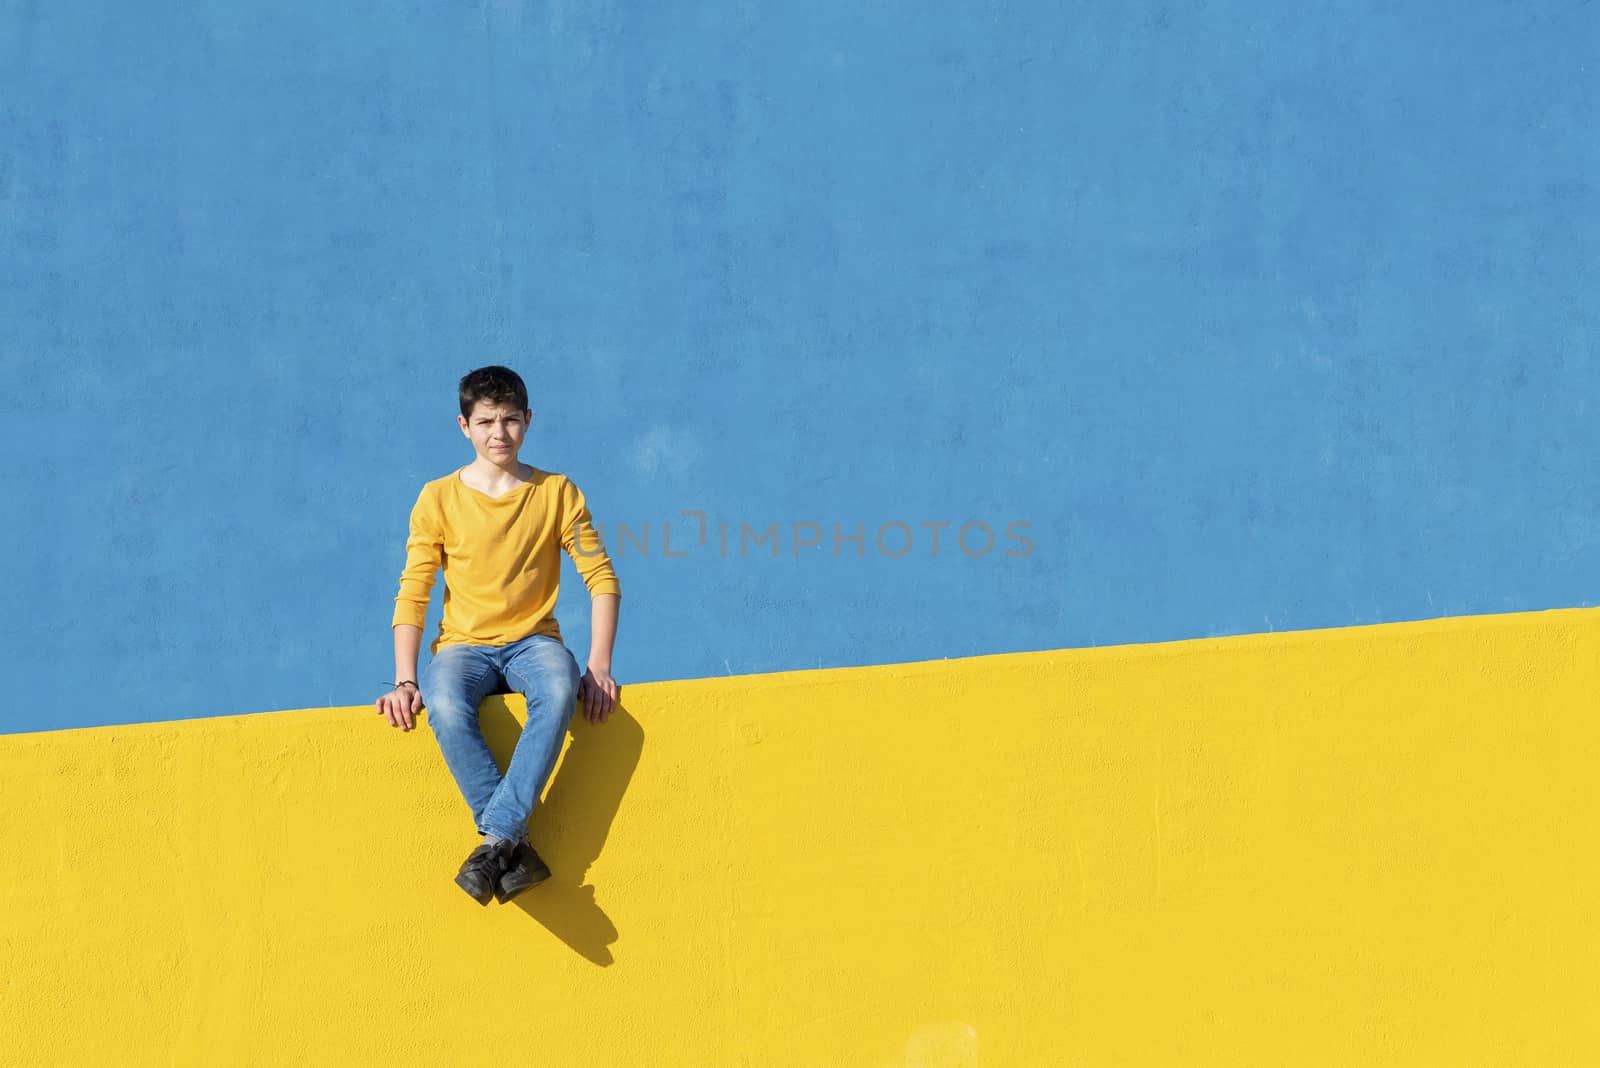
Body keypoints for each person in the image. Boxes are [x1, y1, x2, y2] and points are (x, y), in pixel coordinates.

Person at [375, 365, 621, 905]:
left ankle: (496, 838)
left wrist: (599, 666)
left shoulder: (556, 493)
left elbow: (601, 578)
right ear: (463, 425)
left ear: (528, 421)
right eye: (485, 421)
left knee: (559, 690)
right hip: (462, 646)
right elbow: (413, 591)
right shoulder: (437, 498)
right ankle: (510, 841)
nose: (498, 433)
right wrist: (403, 679)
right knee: (441, 700)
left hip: (536, 642)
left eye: (510, 420)